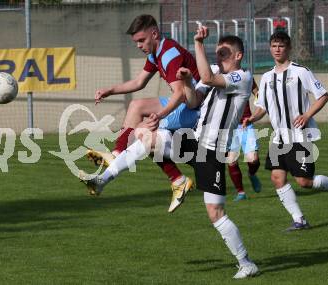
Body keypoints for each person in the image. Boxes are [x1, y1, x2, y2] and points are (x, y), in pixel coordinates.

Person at [80, 26, 259, 279]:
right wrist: (186, 80)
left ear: (238, 56)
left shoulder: (243, 78)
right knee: (147, 137)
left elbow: (207, 78)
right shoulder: (217, 71)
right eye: (217, 54)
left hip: (212, 152)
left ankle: (246, 263)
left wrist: (197, 43)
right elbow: (193, 100)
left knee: (215, 213)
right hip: (194, 140)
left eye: (224, 54)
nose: (219, 59)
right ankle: (102, 180)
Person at [244, 31, 328, 231]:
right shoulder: (267, 77)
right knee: (277, 178)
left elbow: (323, 96)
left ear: (288, 48)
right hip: (279, 138)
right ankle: (299, 220)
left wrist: (306, 115)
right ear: (269, 48)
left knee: (304, 181)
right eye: (273, 45)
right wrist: (253, 117)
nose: (277, 49)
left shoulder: (300, 72)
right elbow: (263, 107)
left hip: (300, 135)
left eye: (281, 46)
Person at [87, 14, 200, 212]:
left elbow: (181, 93)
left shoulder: (169, 54)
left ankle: (177, 178)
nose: (139, 45)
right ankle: (117, 154)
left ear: (154, 34)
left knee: (143, 133)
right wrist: (110, 90)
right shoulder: (156, 54)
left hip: (195, 109)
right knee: (136, 107)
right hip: (182, 102)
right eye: (136, 42)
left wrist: (161, 115)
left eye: (142, 40)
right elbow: (139, 83)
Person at [227, 99, 262, 202]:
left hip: (246, 123)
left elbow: (258, 94)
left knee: (253, 160)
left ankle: (252, 174)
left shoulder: (249, 81)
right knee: (231, 160)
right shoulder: (220, 83)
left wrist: (256, 111)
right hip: (229, 126)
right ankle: (241, 193)